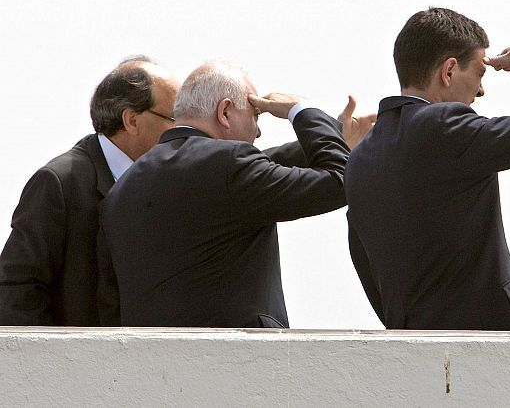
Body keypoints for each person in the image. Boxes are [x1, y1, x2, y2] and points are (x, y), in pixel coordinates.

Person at [345, 7, 510, 331]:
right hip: (486, 347)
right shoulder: (444, 127)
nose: (480, 91)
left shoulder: (360, 157)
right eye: (479, 73)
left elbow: (366, 266)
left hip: (411, 347)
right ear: (449, 71)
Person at [96, 60, 367, 328]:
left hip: (152, 362)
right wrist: (301, 110)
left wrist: (334, 135)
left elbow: (254, 167)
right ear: (225, 111)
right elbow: (339, 180)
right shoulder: (229, 167)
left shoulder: (122, 189)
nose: (258, 131)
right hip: (239, 361)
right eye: (256, 115)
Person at [0, 56, 181, 325]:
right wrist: (57, 363)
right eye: (173, 118)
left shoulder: (167, 183)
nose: (181, 131)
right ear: (131, 120)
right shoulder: (59, 183)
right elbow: (17, 290)